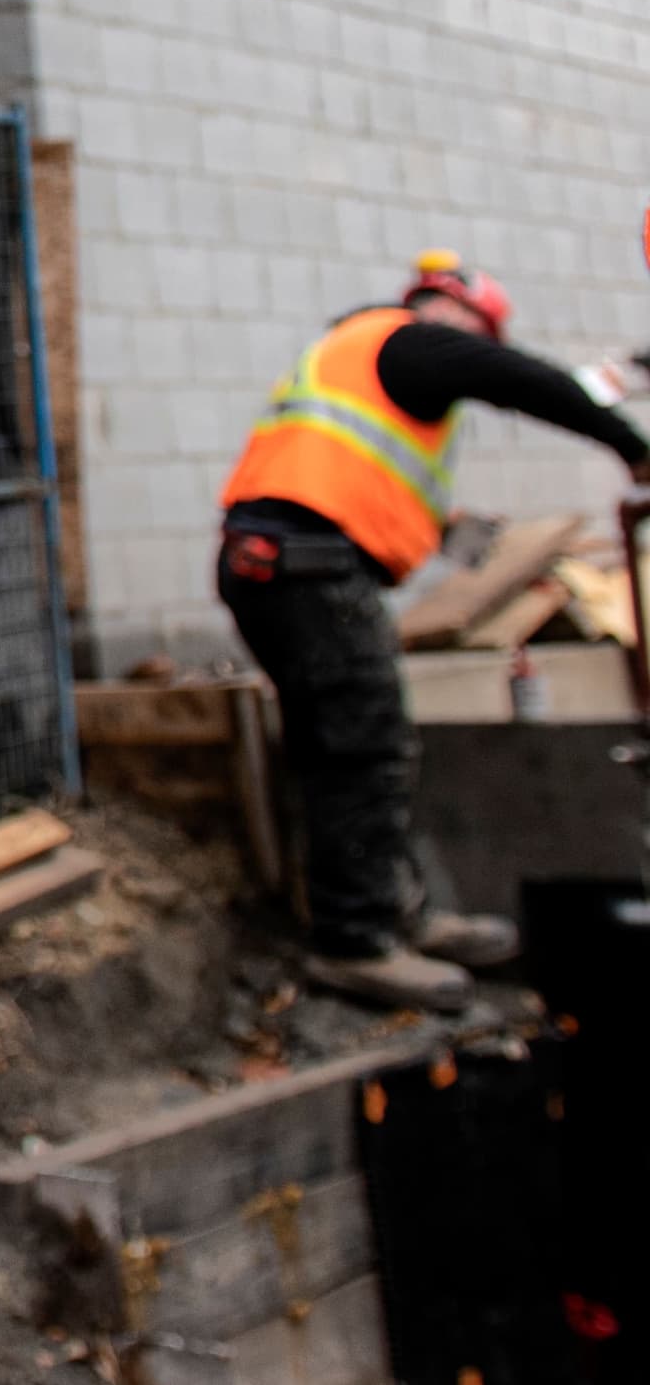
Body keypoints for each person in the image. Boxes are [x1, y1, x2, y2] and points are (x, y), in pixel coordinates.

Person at [216, 251, 650, 1009]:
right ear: (457, 313)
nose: (473, 347)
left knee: (349, 748)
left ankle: (393, 913)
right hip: (306, 570)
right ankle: (356, 941)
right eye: (477, 333)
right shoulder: (406, 340)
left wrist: (441, 529)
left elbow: (345, 476)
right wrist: (632, 448)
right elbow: (524, 381)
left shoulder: (357, 357)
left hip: (284, 563)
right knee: (365, 748)